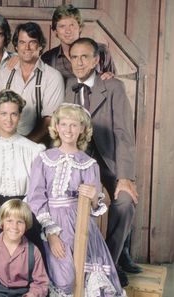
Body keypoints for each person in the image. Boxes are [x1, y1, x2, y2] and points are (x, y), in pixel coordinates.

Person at [27, 103, 126, 296]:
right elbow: (36, 197)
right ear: (56, 127)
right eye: (64, 124)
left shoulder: (89, 164)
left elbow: (95, 206)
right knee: (65, 281)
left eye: (74, 125)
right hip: (54, 224)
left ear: (82, 129)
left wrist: (95, 198)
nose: (68, 130)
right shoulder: (44, 159)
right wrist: (51, 233)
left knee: (85, 274)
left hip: (81, 226)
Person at [64, 37, 138, 286]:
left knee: (125, 203)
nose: (79, 62)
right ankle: (79, 263)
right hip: (79, 163)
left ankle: (110, 261)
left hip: (109, 161)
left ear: (97, 60)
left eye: (85, 56)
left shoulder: (113, 86)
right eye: (74, 57)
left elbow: (124, 134)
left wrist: (125, 178)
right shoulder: (67, 85)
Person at [0, 90, 44, 250]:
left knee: (32, 225)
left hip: (26, 207)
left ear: (19, 116)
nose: (9, 119)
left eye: (13, 114)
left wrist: (20, 214)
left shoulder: (35, 150)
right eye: (4, 113)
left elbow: (37, 189)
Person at [0, 22, 64, 144]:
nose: (27, 47)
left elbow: (49, 120)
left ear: (40, 46)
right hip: (4, 146)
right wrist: (4, 144)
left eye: (32, 42)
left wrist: (24, 147)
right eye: (22, 42)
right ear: (16, 46)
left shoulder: (53, 77)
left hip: (39, 147)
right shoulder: (1, 75)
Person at [0, 199, 49, 297]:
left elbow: (41, 283)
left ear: (26, 226)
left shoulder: (33, 251)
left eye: (20, 222)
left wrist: (32, 294)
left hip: (23, 293)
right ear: (1, 223)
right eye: (9, 221)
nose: (14, 226)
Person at [41, 4, 116, 84]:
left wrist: (111, 78)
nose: (68, 31)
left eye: (72, 25)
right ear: (55, 31)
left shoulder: (101, 50)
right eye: (62, 26)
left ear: (80, 27)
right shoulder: (48, 59)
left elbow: (113, 83)